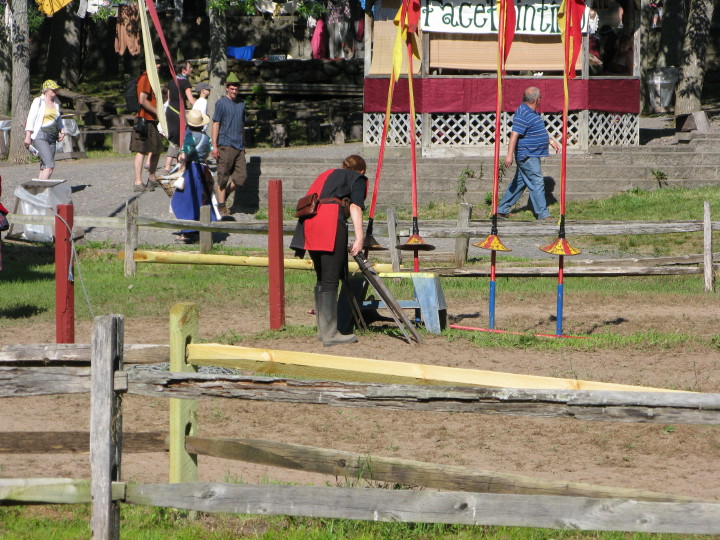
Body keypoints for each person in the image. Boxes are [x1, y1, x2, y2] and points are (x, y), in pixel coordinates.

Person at [290, 154, 367, 347]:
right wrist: (360, 237)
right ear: (362, 171)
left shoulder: (326, 174)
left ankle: (324, 330)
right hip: (329, 223)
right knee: (331, 279)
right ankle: (331, 333)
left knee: (322, 277)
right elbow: (356, 207)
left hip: (309, 224)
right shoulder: (358, 178)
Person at [497, 87, 560, 221]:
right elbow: (514, 135)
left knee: (520, 182)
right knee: (537, 182)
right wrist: (509, 155)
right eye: (540, 97)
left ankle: (502, 210)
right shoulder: (523, 113)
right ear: (536, 99)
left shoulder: (531, 112)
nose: (541, 100)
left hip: (530, 154)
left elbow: (536, 130)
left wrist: (550, 141)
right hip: (527, 155)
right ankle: (543, 214)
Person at [171, 109, 215, 242]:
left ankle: (188, 231)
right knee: (202, 199)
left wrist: (181, 159)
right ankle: (203, 227)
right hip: (203, 169)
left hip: (192, 170)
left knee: (184, 200)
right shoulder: (206, 137)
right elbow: (208, 152)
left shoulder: (189, 137)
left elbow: (185, 154)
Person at [211, 81, 247, 217]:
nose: (234, 91)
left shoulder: (242, 104)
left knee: (241, 177)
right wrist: (214, 146)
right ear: (227, 89)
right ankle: (221, 207)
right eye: (231, 89)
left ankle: (222, 195)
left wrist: (244, 143)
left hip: (239, 145)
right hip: (225, 144)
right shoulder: (221, 103)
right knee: (223, 177)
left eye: (236, 89)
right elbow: (216, 124)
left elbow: (242, 124)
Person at [130, 60, 165, 192]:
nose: (159, 65)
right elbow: (142, 100)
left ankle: (151, 178)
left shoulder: (152, 79)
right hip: (143, 119)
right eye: (155, 63)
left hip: (152, 120)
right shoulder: (145, 79)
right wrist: (158, 112)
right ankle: (138, 182)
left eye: (158, 63)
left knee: (157, 149)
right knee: (141, 150)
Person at [24, 80, 66, 180]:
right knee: (50, 165)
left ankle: (38, 189)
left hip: (52, 137)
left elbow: (58, 118)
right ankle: (42, 190)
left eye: (56, 89)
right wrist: (28, 136)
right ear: (46, 90)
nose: (55, 91)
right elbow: (31, 119)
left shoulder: (56, 102)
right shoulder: (38, 101)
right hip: (40, 135)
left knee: (45, 166)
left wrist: (62, 130)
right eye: (53, 89)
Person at [163, 61, 196, 174]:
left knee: (174, 139)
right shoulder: (185, 82)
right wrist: (200, 107)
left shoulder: (171, 81)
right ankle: (175, 166)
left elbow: (168, 99)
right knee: (182, 138)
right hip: (179, 113)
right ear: (184, 70)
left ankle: (171, 166)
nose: (191, 69)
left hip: (170, 111)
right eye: (189, 67)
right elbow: (191, 100)